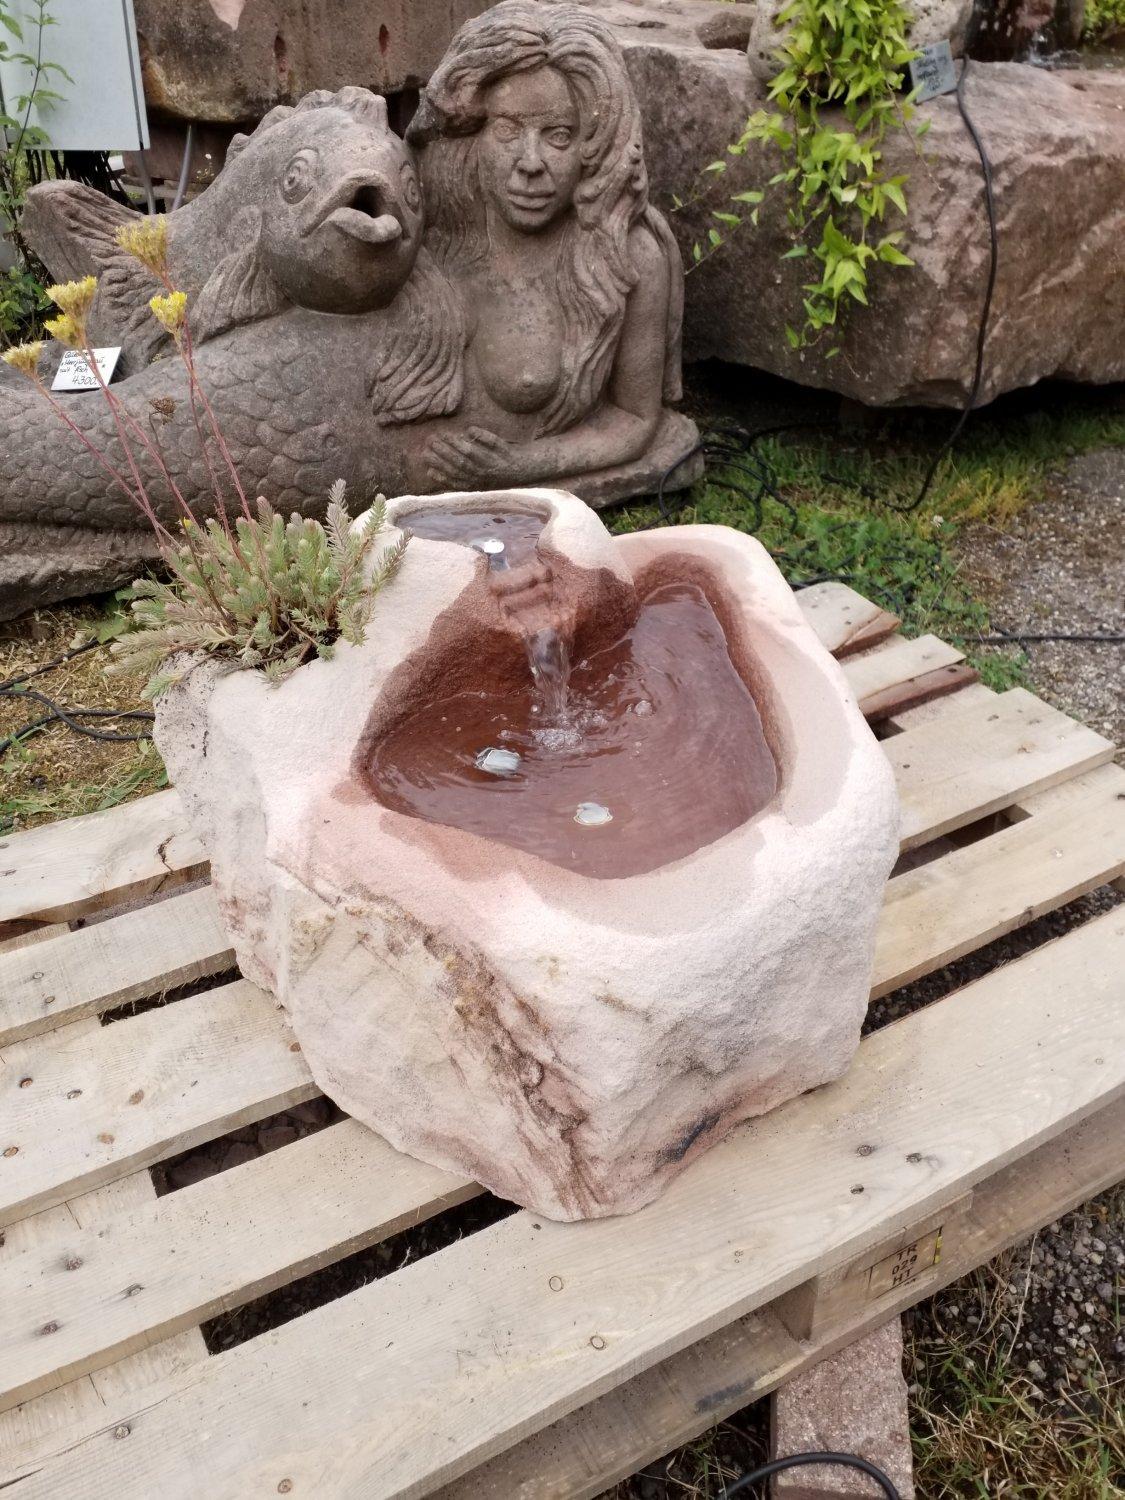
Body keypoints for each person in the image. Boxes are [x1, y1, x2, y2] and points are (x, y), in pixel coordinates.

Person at [407, 0, 686, 491]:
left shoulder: (629, 255)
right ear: (473, 132)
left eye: (558, 136)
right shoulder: (426, 223)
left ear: (595, 148)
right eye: (508, 131)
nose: (530, 162)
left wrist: (523, 465)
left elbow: (638, 418)